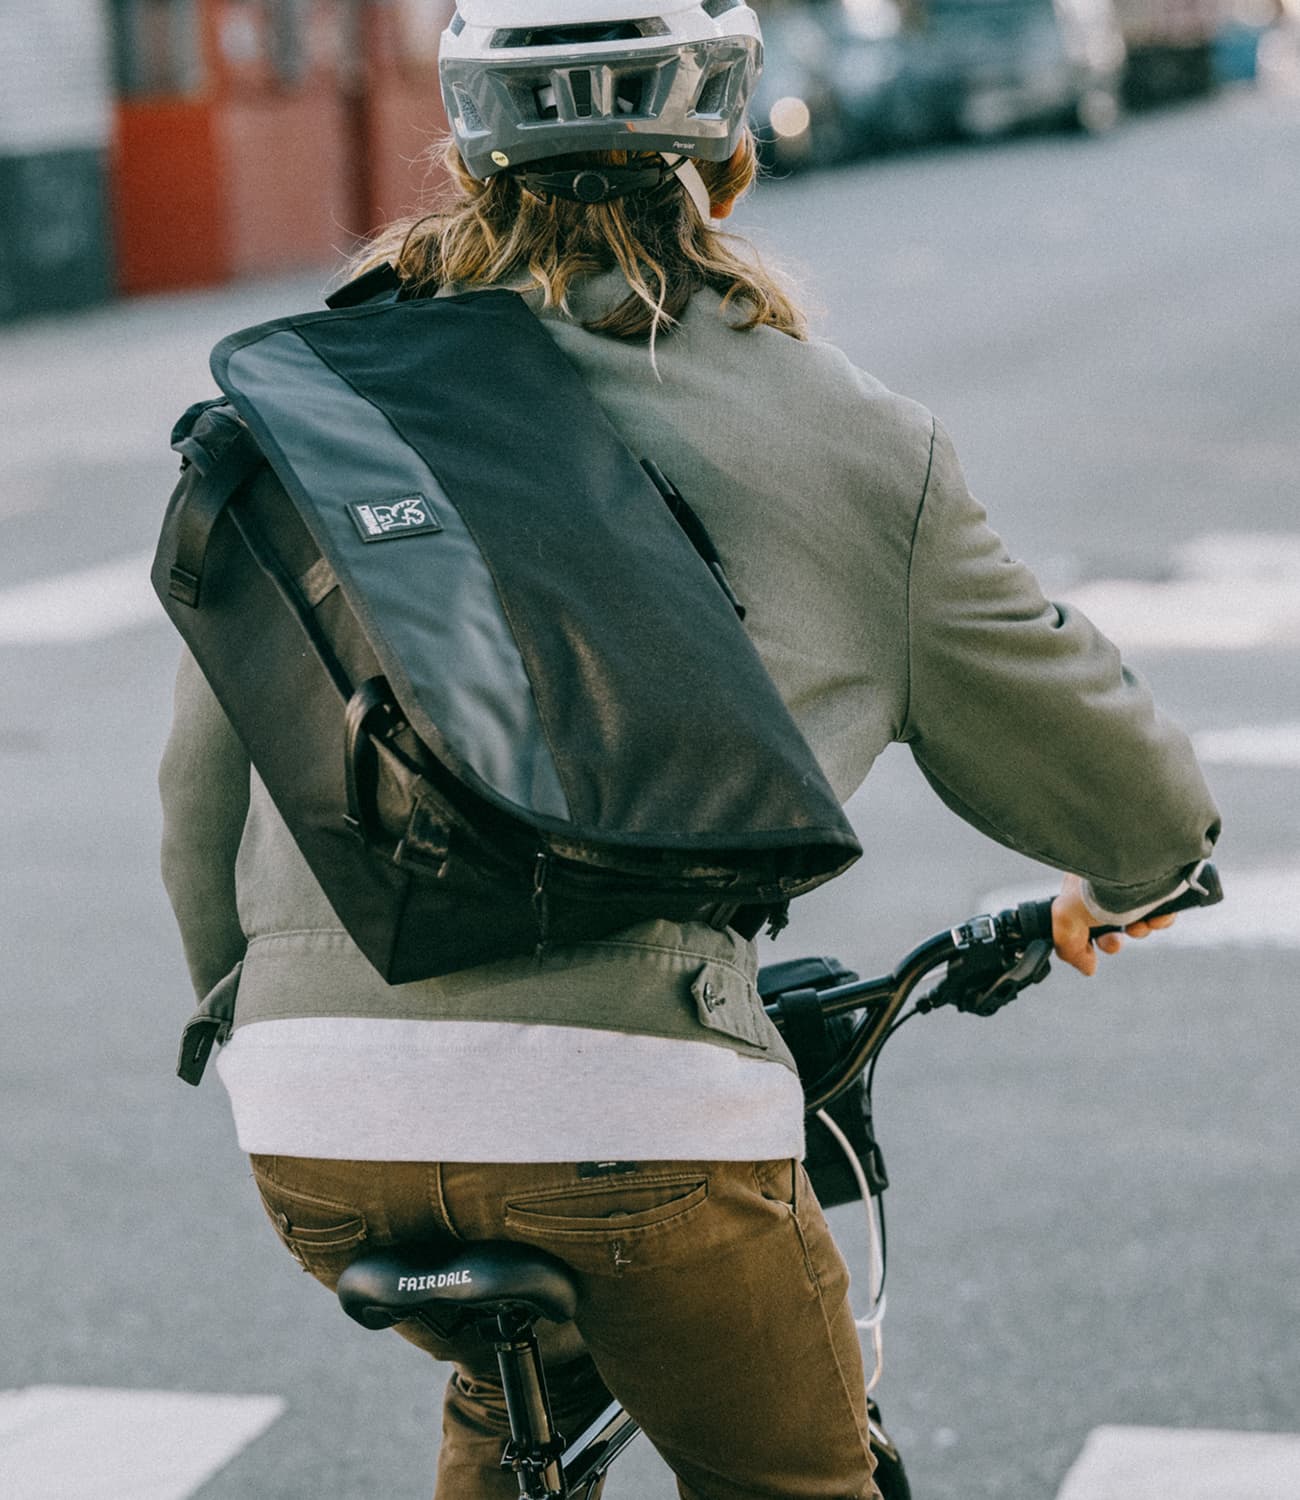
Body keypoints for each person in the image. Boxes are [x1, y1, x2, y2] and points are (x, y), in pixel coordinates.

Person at [158, 3, 1220, 1496]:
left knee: (517, 1392)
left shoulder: (331, 400)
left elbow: (197, 798)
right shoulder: (845, 437)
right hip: (629, 1124)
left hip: (314, 1124)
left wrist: (263, 1006)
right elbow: (1117, 777)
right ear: (724, 155)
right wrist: (1146, 870)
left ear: (466, 157)